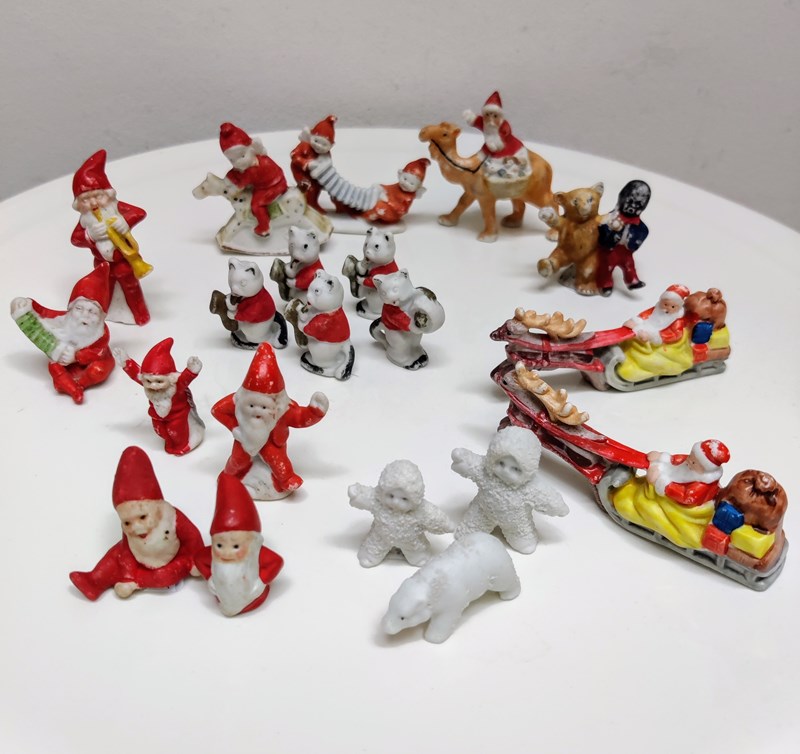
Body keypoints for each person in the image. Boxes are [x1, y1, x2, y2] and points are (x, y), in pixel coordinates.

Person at [69, 446, 204, 600]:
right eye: (127, 522)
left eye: (142, 517)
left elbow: (192, 537)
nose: (135, 527)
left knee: (163, 575)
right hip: (140, 562)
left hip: (174, 561)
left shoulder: (171, 517)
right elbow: (127, 552)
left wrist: (195, 559)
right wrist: (128, 575)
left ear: (157, 506)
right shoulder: (132, 531)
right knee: (115, 555)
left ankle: (139, 581)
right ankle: (94, 581)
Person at [211, 343, 328, 498]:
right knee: (237, 460)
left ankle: (286, 480)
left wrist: (315, 411)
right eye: (252, 405)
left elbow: (300, 417)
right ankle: (228, 476)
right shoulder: (237, 402)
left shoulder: (284, 409)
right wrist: (235, 429)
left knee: (278, 461)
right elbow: (217, 411)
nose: (257, 411)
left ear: (276, 404)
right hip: (245, 439)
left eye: (264, 407)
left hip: (272, 443)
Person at [10, 263, 114, 404]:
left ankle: (78, 385)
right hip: (65, 358)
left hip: (93, 361)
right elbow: (45, 313)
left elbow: (97, 352)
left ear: (101, 317)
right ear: (71, 309)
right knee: (54, 365)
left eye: (92, 312)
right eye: (79, 308)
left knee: (98, 370)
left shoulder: (101, 334)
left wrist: (76, 356)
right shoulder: (62, 319)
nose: (85, 315)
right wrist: (29, 305)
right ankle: (72, 389)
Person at [71, 150, 150, 325]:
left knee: (130, 286)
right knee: (104, 288)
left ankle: (138, 314)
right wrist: (90, 235)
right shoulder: (86, 220)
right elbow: (75, 239)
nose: (93, 204)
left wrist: (124, 222)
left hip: (123, 260)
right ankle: (105, 313)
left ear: (108, 195)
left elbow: (139, 212)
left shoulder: (116, 209)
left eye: (97, 196)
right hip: (101, 263)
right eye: (86, 200)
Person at [193, 473, 284, 616]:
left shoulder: (256, 554)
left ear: (252, 543)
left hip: (253, 598)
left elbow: (276, 562)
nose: (226, 553)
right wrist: (209, 577)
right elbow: (199, 558)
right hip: (222, 597)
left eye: (235, 546)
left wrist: (261, 581)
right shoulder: (212, 556)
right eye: (219, 546)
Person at [115, 338, 205, 455]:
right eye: (149, 381)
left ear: (170, 379)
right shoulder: (148, 385)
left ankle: (181, 444)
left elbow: (185, 379)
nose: (153, 386)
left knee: (176, 432)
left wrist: (191, 371)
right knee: (160, 431)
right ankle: (169, 442)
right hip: (156, 416)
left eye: (159, 381)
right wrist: (126, 362)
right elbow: (135, 373)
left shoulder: (175, 386)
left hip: (177, 416)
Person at [220, 122, 288, 236]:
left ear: (251, 149)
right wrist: (231, 175)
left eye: (242, 156)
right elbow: (237, 173)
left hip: (274, 185)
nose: (237, 162)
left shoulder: (253, 168)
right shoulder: (247, 164)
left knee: (256, 204)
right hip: (264, 184)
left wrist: (234, 187)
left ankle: (264, 226)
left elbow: (242, 184)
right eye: (232, 160)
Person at [596, 179, 651, 294]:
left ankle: (632, 281)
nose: (633, 207)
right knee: (607, 266)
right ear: (622, 199)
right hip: (609, 250)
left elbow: (642, 235)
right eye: (630, 202)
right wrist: (610, 233)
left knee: (629, 265)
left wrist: (634, 242)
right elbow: (600, 231)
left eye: (639, 204)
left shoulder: (641, 227)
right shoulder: (609, 219)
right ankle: (605, 283)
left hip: (626, 251)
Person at [646, 439, 730, 505]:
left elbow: (686, 496)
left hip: (680, 502)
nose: (689, 461)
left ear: (705, 469)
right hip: (668, 478)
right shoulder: (692, 462)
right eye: (690, 456)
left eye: (693, 462)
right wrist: (662, 457)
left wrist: (665, 484)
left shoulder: (702, 484)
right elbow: (678, 459)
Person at [463, 91, 527, 166]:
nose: (490, 119)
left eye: (495, 116)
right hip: (488, 148)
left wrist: (494, 144)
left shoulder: (504, 126)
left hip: (505, 148)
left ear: (500, 117)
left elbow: (503, 138)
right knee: (480, 157)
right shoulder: (484, 122)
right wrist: (469, 117)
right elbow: (474, 120)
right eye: (487, 115)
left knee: (500, 162)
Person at [291, 115, 337, 213]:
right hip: (300, 171)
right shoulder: (304, 146)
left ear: (331, 145)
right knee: (310, 187)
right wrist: (306, 163)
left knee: (317, 186)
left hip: (314, 174)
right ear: (311, 136)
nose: (319, 146)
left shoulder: (325, 154)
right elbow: (294, 155)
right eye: (316, 141)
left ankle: (312, 202)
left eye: (324, 144)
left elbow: (326, 165)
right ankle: (310, 205)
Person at [623, 284, 690, 345]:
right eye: (665, 304)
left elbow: (676, 334)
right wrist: (637, 320)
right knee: (632, 325)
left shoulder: (677, 320)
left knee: (643, 338)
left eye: (673, 307)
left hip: (657, 334)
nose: (668, 308)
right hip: (646, 325)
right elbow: (644, 315)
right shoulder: (657, 309)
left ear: (678, 308)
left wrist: (654, 336)